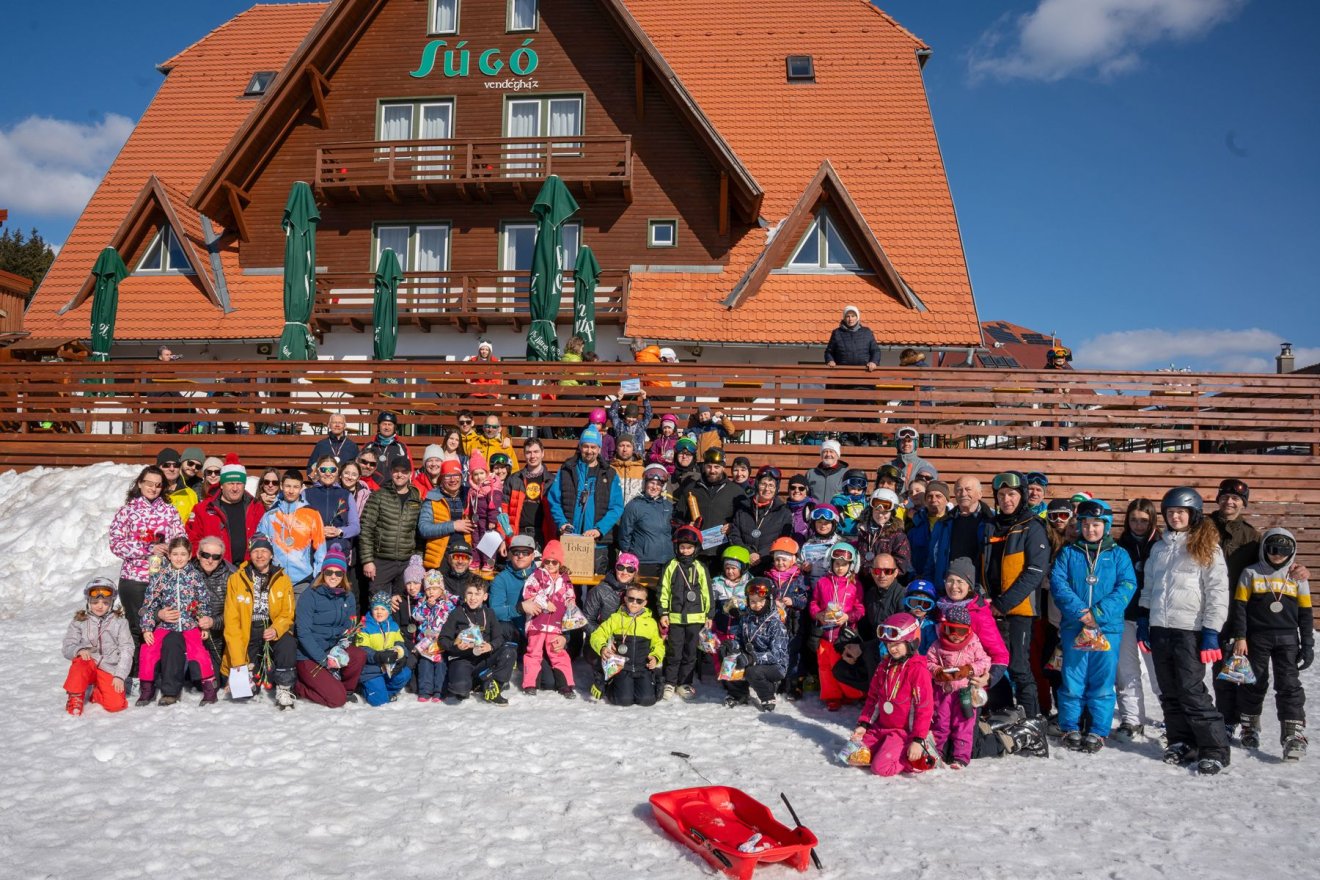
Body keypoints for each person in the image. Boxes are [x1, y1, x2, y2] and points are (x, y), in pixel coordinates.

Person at [1138, 486, 1231, 775]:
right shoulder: (1159, 548)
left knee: (1191, 691)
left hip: (1190, 630)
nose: (1175, 517)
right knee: (1169, 691)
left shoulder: (1207, 547)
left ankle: (1214, 749)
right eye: (1170, 512)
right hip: (1160, 628)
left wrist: (1211, 631)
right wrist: (1144, 621)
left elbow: (1217, 592)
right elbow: (1149, 588)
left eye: (1181, 512)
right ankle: (1181, 741)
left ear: (1194, 514)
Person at [1049, 500, 1136, 753]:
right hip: (1075, 625)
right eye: (1085, 524)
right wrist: (1081, 612)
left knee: (1102, 680)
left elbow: (1127, 586)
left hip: (1107, 627)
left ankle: (1098, 730)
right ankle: (1070, 726)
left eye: (1096, 525)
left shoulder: (1119, 555)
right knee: (1072, 678)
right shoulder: (1069, 552)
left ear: (1106, 526)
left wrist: (1097, 613)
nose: (1090, 530)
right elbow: (1058, 584)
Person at [1230, 529, 1312, 759]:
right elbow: (1239, 608)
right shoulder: (1251, 573)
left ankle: (1293, 733)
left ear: (1292, 551)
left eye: (1284, 551)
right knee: (1253, 681)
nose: (1277, 555)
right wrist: (1240, 636)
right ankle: (1249, 725)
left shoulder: (1297, 576)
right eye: (1272, 549)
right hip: (1257, 638)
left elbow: (1306, 613)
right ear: (1264, 548)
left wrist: (1307, 644)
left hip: (1288, 639)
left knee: (1289, 684)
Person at [980, 472, 1050, 720]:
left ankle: (1032, 718)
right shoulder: (991, 525)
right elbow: (983, 566)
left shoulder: (1032, 526)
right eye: (1001, 495)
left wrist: (1003, 603)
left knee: (1019, 666)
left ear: (1021, 496)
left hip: (1019, 609)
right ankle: (1002, 712)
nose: (1006, 499)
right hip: (991, 607)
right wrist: (985, 597)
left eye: (1011, 494)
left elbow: (1035, 571)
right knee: (995, 664)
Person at [108, 465, 185, 683]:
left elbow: (181, 539)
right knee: (136, 626)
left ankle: (157, 672)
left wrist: (170, 548)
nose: (153, 488)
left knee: (161, 626)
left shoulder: (169, 511)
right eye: (149, 483)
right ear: (140, 483)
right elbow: (116, 543)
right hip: (134, 579)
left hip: (163, 578)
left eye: (158, 485)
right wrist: (146, 548)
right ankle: (133, 673)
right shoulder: (127, 511)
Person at [849, 613, 934, 777]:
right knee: (851, 756)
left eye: (897, 644)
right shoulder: (884, 666)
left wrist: (917, 739)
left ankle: (914, 756)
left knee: (880, 768)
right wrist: (864, 725)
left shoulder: (918, 670)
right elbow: (873, 698)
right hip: (880, 727)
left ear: (911, 642)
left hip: (902, 733)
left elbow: (924, 708)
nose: (892, 649)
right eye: (888, 644)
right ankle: (883, 750)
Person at [137, 536, 217, 707]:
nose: (179, 558)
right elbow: (149, 604)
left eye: (183, 554)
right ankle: (147, 689)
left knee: (199, 652)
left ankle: (210, 690)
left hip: (189, 624)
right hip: (166, 625)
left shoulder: (195, 576)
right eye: (175, 554)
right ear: (169, 555)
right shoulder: (161, 576)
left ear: (189, 555)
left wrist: (204, 624)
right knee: (148, 649)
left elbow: (203, 602)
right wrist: (147, 627)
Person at [1209, 477, 1260, 741]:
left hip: (1237, 611)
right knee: (1213, 667)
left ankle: (1239, 720)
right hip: (1205, 606)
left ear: (1243, 504)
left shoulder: (1252, 536)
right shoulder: (1203, 526)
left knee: (1235, 668)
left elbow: (1270, 564)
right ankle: (1221, 717)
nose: (1229, 502)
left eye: (1236, 499)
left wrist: (1296, 569)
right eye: (1225, 497)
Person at [224, 536, 298, 708]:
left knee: (288, 642)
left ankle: (284, 687)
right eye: (255, 551)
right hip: (248, 631)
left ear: (271, 555)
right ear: (250, 554)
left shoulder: (282, 579)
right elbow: (232, 622)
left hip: (271, 629)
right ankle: (251, 672)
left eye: (264, 551)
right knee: (246, 692)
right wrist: (238, 663)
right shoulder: (236, 579)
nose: (260, 555)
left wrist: (276, 628)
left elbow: (287, 613)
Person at [294, 551, 367, 709]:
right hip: (309, 656)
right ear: (323, 572)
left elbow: (350, 627)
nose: (333, 576)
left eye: (338, 573)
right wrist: (323, 660)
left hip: (333, 650)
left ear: (343, 575)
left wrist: (340, 650)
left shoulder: (348, 596)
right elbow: (303, 634)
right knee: (336, 700)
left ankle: (346, 689)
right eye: (329, 572)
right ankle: (298, 687)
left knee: (358, 655)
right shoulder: (310, 596)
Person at [1114, 498, 1161, 740]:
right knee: (1127, 671)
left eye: (1144, 520)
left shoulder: (1161, 546)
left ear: (1152, 520)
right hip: (1124, 616)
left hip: (1153, 619)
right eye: (1133, 520)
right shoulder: (1118, 546)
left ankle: (1173, 716)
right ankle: (1132, 719)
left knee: (1159, 671)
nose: (1138, 525)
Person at [548, 426, 625, 574]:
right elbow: (554, 500)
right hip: (570, 541)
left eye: (593, 447)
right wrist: (562, 523)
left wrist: (599, 529)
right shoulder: (566, 470)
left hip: (597, 544)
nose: (589, 451)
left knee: (596, 586)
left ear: (599, 448)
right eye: (586, 446)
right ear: (580, 446)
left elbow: (616, 507)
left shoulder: (610, 474)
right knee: (568, 584)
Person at [927, 604, 991, 769]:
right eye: (951, 630)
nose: (955, 636)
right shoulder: (937, 645)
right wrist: (938, 672)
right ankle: (937, 753)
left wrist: (969, 669)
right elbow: (928, 662)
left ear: (968, 631)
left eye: (961, 631)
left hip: (965, 693)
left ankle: (960, 757)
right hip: (943, 692)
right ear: (944, 628)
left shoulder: (973, 644)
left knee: (964, 724)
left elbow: (985, 661)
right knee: (940, 723)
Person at [62, 578, 134, 715]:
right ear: (88, 601)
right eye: (95, 602)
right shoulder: (79, 621)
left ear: (111, 603)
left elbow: (127, 649)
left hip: (108, 667)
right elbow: (67, 646)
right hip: (88, 663)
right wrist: (79, 650)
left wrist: (119, 675)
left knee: (116, 705)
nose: (100, 606)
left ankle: (97, 691)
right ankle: (75, 697)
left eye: (105, 603)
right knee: (81, 661)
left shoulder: (120, 622)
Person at [438, 579, 516, 705]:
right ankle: (480, 682)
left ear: (485, 596)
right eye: (470, 593)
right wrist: (456, 646)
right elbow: (443, 639)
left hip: (484, 659)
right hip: (463, 660)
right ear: (465, 594)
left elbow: (499, 638)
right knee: (460, 690)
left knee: (509, 651)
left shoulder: (489, 613)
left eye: (477, 594)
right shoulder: (456, 614)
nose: (473, 598)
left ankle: (495, 684)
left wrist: (490, 646)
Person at [359, 459, 423, 607]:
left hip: (406, 561)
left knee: (402, 604)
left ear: (410, 474)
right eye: (396, 471)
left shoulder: (416, 498)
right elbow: (366, 529)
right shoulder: (379, 495)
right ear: (391, 472)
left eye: (404, 471)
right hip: (382, 560)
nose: (399, 475)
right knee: (378, 603)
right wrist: (367, 560)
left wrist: (417, 560)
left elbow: (418, 533)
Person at [719, 578, 790, 711]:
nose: (757, 605)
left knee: (752, 671)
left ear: (769, 600)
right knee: (730, 658)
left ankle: (768, 694)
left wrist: (752, 658)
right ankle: (739, 694)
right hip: (751, 657)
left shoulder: (775, 624)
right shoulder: (746, 618)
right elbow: (739, 639)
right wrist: (731, 646)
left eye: (761, 601)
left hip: (775, 666)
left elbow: (777, 655)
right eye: (752, 601)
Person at [659, 525, 713, 700]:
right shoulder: (671, 566)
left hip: (696, 618)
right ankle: (670, 682)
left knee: (690, 653)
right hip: (675, 617)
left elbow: (707, 592)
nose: (685, 550)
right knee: (674, 651)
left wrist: (709, 615)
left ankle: (684, 683)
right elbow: (664, 590)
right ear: (677, 547)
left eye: (689, 547)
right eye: (682, 547)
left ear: (695, 548)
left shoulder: (701, 567)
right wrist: (663, 612)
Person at [590, 582, 666, 707]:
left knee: (647, 700)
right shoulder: (616, 618)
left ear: (645, 603)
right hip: (622, 668)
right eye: (631, 599)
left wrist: (655, 657)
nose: (634, 603)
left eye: (639, 601)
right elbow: (597, 635)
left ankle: (654, 681)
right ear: (625, 599)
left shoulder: (650, 622)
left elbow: (658, 644)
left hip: (642, 667)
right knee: (623, 699)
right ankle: (604, 682)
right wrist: (602, 647)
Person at [811, 542, 866, 710]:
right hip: (824, 635)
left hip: (843, 636)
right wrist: (818, 614)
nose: (840, 568)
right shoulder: (822, 582)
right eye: (837, 564)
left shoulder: (855, 585)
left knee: (841, 665)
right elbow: (814, 603)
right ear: (831, 563)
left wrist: (848, 617)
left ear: (851, 565)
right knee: (825, 667)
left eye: (844, 564)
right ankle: (832, 696)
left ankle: (851, 694)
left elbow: (860, 609)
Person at [519, 539, 578, 698]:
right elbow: (528, 593)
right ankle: (530, 683)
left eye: (554, 562)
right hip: (537, 623)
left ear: (560, 563)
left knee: (558, 652)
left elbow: (570, 596)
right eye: (547, 561)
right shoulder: (536, 576)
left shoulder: (565, 580)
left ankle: (566, 685)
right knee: (533, 653)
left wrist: (570, 604)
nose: (550, 565)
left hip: (555, 625)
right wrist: (544, 602)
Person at [256, 469, 327, 594]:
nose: (291, 491)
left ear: (301, 488)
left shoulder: (312, 514)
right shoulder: (270, 515)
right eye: (288, 486)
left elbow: (320, 550)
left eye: (295, 487)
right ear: (281, 486)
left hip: (304, 580)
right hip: (276, 578)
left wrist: (317, 576)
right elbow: (259, 545)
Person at [185, 455, 263, 566]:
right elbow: (192, 540)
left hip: (249, 569)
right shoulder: (203, 509)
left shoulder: (256, 508)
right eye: (230, 483)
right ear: (221, 485)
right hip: (214, 569)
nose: (235, 488)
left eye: (239, 483)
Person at [674, 448, 744, 571]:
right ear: (704, 466)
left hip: (723, 553)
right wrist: (686, 526)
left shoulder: (735, 491)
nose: (712, 471)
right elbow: (677, 518)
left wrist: (732, 526)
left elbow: (744, 521)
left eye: (717, 467)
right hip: (696, 552)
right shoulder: (691, 489)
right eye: (709, 466)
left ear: (723, 467)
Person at [925, 476, 993, 586]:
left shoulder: (991, 522)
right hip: (949, 587)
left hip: (980, 586)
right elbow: (931, 559)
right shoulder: (943, 523)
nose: (963, 493)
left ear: (980, 494)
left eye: (968, 489)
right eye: (959, 490)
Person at [763, 538, 809, 697]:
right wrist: (770, 602)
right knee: (776, 651)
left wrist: (793, 601)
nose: (780, 563)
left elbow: (805, 600)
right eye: (777, 559)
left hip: (793, 621)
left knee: (793, 652)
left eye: (784, 559)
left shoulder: (799, 578)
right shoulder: (769, 577)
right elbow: (762, 598)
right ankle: (780, 681)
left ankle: (794, 685)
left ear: (793, 560)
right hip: (775, 622)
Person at [617, 464, 676, 580]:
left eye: (658, 484)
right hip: (644, 561)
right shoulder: (634, 506)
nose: (655, 487)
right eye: (652, 483)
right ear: (645, 483)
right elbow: (625, 535)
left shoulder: (668, 507)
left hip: (667, 561)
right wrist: (630, 558)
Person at [355, 592, 413, 705]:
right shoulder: (364, 626)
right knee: (380, 702)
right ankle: (363, 689)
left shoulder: (393, 625)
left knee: (405, 673)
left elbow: (400, 642)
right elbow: (362, 649)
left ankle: (386, 691)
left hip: (389, 667)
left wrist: (401, 653)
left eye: (383, 609)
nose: (379, 612)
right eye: (376, 608)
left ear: (389, 610)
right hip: (371, 670)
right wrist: (378, 656)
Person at [729, 467, 795, 564]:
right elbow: (735, 535)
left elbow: (783, 540)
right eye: (763, 484)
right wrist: (749, 553)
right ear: (757, 485)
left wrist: (762, 555)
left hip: (770, 564)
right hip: (744, 562)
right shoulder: (743, 509)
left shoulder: (784, 512)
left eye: (771, 485)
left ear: (776, 488)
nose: (767, 489)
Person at [419, 458, 470, 570]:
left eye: (456, 475)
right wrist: (453, 526)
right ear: (441, 478)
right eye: (447, 476)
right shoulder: (432, 498)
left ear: (461, 477)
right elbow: (424, 529)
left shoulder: (470, 495)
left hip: (466, 554)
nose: (452, 479)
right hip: (441, 556)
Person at [192, 535, 233, 673]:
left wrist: (213, 622)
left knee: (218, 676)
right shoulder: (187, 572)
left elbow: (235, 613)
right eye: (206, 555)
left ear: (221, 558)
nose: (210, 560)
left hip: (219, 635)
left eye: (215, 557)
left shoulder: (231, 576)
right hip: (192, 633)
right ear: (198, 554)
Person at [304, 455, 360, 556]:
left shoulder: (346, 495)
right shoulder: (306, 494)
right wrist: (317, 531)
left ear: (337, 471)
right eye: (323, 470)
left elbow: (355, 527)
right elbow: (299, 524)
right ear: (317, 471)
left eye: (332, 470)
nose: (328, 473)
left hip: (338, 549)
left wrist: (339, 531)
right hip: (311, 550)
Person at [413, 570, 455, 703]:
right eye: (428, 589)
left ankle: (439, 691)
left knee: (441, 664)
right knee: (425, 665)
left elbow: (453, 615)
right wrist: (427, 606)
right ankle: (425, 691)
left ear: (441, 589)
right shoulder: (422, 602)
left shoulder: (448, 602)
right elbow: (417, 616)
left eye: (435, 588)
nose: (431, 592)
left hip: (440, 641)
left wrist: (442, 604)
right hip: (426, 642)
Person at [504, 438, 552, 543]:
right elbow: (504, 511)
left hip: (543, 535)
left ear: (542, 453)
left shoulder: (552, 481)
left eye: (536, 452)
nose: (532, 456)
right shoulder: (514, 479)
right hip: (518, 534)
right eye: (528, 452)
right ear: (524, 454)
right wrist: (505, 538)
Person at [464, 450, 505, 572]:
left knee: (487, 541)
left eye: (481, 473)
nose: (479, 477)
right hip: (476, 520)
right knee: (475, 540)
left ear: (486, 472)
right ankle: (476, 560)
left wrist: (492, 520)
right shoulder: (473, 489)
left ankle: (488, 562)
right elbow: (471, 505)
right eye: (475, 474)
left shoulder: (492, 487)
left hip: (487, 520)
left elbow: (495, 506)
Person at [855, 487, 911, 576]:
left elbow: (901, 565)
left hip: (885, 580)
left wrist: (878, 573)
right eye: (877, 510)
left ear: (892, 513)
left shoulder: (897, 536)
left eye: (885, 512)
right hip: (863, 580)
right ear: (871, 509)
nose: (880, 515)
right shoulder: (863, 531)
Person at [907, 480, 950, 579]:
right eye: (929, 496)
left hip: (947, 581)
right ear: (925, 500)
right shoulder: (915, 526)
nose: (933, 500)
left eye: (938, 496)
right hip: (921, 581)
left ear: (947, 500)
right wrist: (913, 575)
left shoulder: (953, 524)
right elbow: (907, 556)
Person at [824, 305, 879, 371]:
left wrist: (873, 362)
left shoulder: (867, 332)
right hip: (842, 373)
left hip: (864, 372)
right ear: (844, 318)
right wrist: (830, 360)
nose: (850, 319)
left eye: (853, 316)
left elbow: (875, 350)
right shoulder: (837, 333)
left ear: (857, 317)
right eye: (848, 316)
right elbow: (829, 352)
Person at [156, 447, 199, 525]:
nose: (172, 469)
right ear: (158, 467)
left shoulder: (190, 494)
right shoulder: (152, 491)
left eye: (176, 465)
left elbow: (196, 524)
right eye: (166, 465)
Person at [890, 426, 937, 492]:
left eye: (909, 441)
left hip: (917, 498)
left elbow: (933, 489)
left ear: (915, 443)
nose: (906, 444)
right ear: (897, 444)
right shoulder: (890, 466)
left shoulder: (925, 466)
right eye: (903, 441)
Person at [830, 469, 870, 537]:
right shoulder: (839, 500)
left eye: (859, 489)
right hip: (842, 535)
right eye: (853, 488)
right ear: (846, 487)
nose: (856, 492)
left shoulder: (865, 501)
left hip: (861, 535)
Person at [611, 436, 647, 506]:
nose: (625, 449)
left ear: (633, 449)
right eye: (621, 446)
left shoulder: (642, 471)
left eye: (628, 446)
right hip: (614, 511)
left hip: (635, 511)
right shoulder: (609, 470)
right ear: (616, 448)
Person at [785, 474, 815, 544]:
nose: (796, 491)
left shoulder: (813, 508)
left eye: (801, 488)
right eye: (793, 488)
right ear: (789, 490)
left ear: (806, 491)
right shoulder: (783, 509)